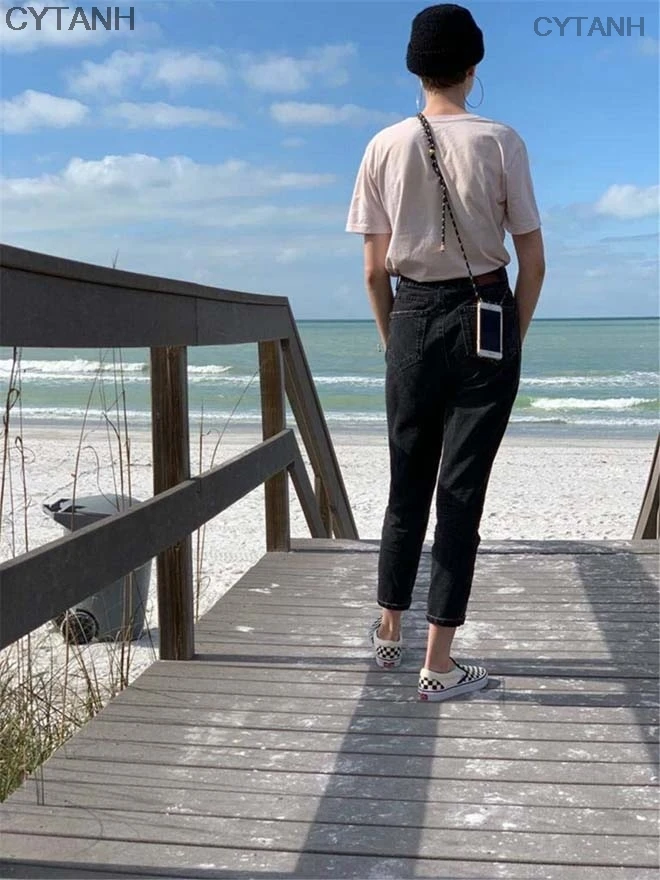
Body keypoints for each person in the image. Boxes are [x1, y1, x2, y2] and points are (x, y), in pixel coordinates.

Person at [346, 3, 545, 701]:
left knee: (406, 482)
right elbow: (533, 260)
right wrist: (509, 336)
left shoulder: (382, 145)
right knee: (460, 493)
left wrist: (394, 340)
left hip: (411, 315)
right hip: (486, 310)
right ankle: (439, 664)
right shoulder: (501, 141)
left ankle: (388, 633)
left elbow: (373, 272)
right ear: (473, 65)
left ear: (415, 67)